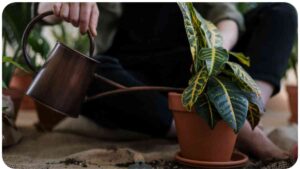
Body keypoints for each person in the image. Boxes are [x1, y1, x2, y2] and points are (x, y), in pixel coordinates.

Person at [37, 2, 297, 160]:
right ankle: (195, 127)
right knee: (92, 73)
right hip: (132, 73)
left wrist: (214, 53)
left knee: (281, 13)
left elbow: (227, 16)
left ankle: (249, 117)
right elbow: (41, 11)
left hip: (197, 69)